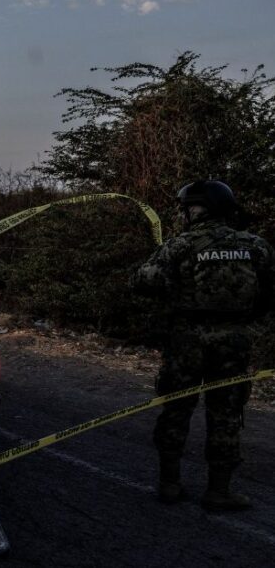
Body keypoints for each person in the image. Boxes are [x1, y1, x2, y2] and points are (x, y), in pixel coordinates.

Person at [131, 180, 274, 511]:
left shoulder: (181, 245)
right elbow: (269, 292)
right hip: (234, 342)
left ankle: (169, 483)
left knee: (176, 408)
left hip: (186, 340)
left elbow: (142, 281)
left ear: (197, 210)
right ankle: (219, 490)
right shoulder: (256, 246)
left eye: (188, 209)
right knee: (226, 413)